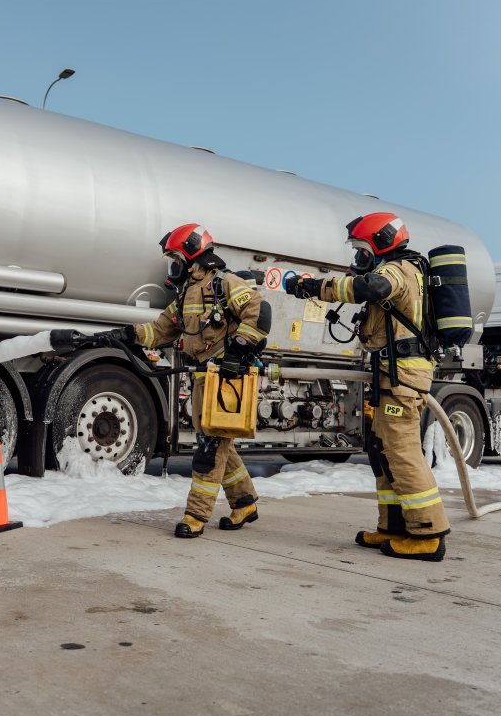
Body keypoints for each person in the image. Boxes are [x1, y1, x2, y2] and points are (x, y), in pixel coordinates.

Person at [284, 212, 450, 561]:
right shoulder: (401, 268)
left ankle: (428, 534)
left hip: (402, 375)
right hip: (392, 372)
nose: (358, 259)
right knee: (383, 450)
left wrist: (313, 285)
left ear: (381, 243)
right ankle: (392, 526)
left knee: (402, 450)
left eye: (362, 250)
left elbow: (369, 288)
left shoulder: (397, 269)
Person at [96, 223, 269, 538]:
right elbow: (161, 330)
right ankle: (244, 502)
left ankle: (196, 515)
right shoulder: (186, 295)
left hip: (227, 379)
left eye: (175, 258)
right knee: (219, 443)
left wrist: (238, 350)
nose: (172, 265)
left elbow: (260, 311)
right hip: (205, 377)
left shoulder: (225, 284)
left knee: (209, 448)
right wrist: (126, 335)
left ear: (192, 257)